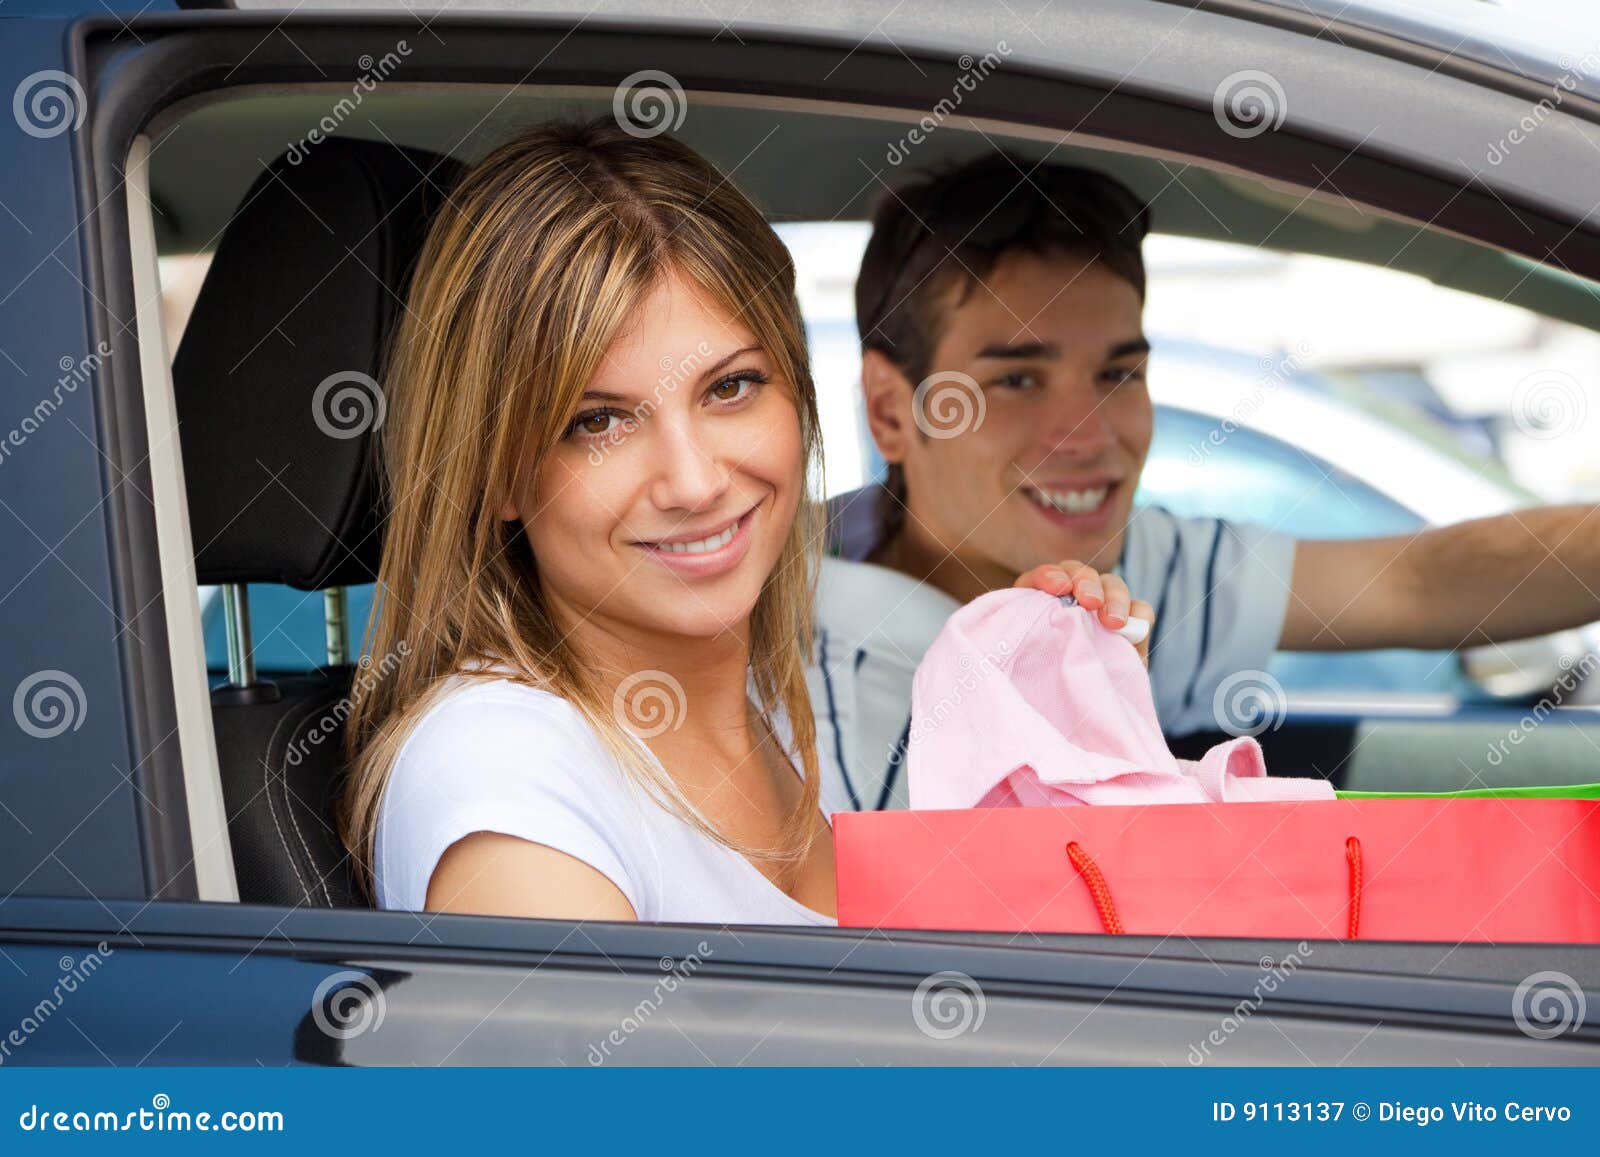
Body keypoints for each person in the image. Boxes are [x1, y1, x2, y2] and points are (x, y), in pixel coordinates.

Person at [338, 120, 1143, 925]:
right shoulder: (507, 777)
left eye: (731, 388)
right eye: (598, 421)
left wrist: (1048, 710)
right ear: (497, 471)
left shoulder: (769, 706)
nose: (694, 482)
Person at [812, 151, 1600, 812]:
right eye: (1017, 380)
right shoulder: (803, 659)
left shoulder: (1119, 577)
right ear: (890, 411)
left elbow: (1420, 584)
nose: (1090, 434)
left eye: (1119, 372)